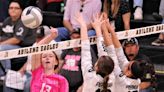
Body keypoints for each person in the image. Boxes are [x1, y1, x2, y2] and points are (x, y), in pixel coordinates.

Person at [101, 16, 155, 92]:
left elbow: (111, 49)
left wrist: (103, 28)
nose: (128, 62)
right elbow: (119, 50)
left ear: (129, 73)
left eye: (129, 65)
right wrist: (110, 28)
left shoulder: (122, 80)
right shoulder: (136, 81)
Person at [0, 0, 37, 78]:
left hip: (24, 49)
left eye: (16, 8)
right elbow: (2, 36)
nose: (13, 10)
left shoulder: (23, 21)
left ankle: (6, 74)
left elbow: (17, 40)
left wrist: (1, 44)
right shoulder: (7, 20)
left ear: (21, 10)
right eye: (11, 8)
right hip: (10, 46)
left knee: (2, 49)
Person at [30, 27, 69, 92]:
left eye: (51, 56)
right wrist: (51, 37)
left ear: (56, 62)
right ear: (41, 62)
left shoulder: (61, 80)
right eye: (44, 56)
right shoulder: (37, 73)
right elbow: (37, 49)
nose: (47, 58)